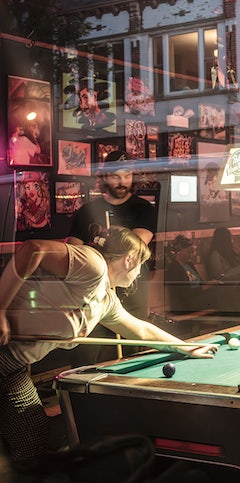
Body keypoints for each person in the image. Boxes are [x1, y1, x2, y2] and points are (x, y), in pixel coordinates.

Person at [0, 226, 217, 461]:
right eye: (140, 266)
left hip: (12, 367)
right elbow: (33, 249)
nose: (138, 274)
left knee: (32, 434)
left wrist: (185, 347)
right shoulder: (95, 264)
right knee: (31, 436)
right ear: (130, 259)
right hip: (4, 355)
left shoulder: (106, 300)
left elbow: (141, 330)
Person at [66, 150, 157, 362]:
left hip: (131, 290)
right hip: (93, 293)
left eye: (127, 175)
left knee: (134, 353)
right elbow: (73, 250)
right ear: (105, 177)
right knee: (89, 353)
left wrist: (99, 245)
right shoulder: (87, 210)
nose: (122, 181)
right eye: (116, 176)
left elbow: (135, 246)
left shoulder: (143, 208)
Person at [165, 234, 205, 312]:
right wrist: (203, 288)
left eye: (193, 252)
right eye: (189, 252)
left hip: (197, 299)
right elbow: (183, 293)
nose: (192, 255)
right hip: (184, 305)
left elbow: (200, 282)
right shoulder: (173, 268)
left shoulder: (189, 265)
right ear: (179, 251)